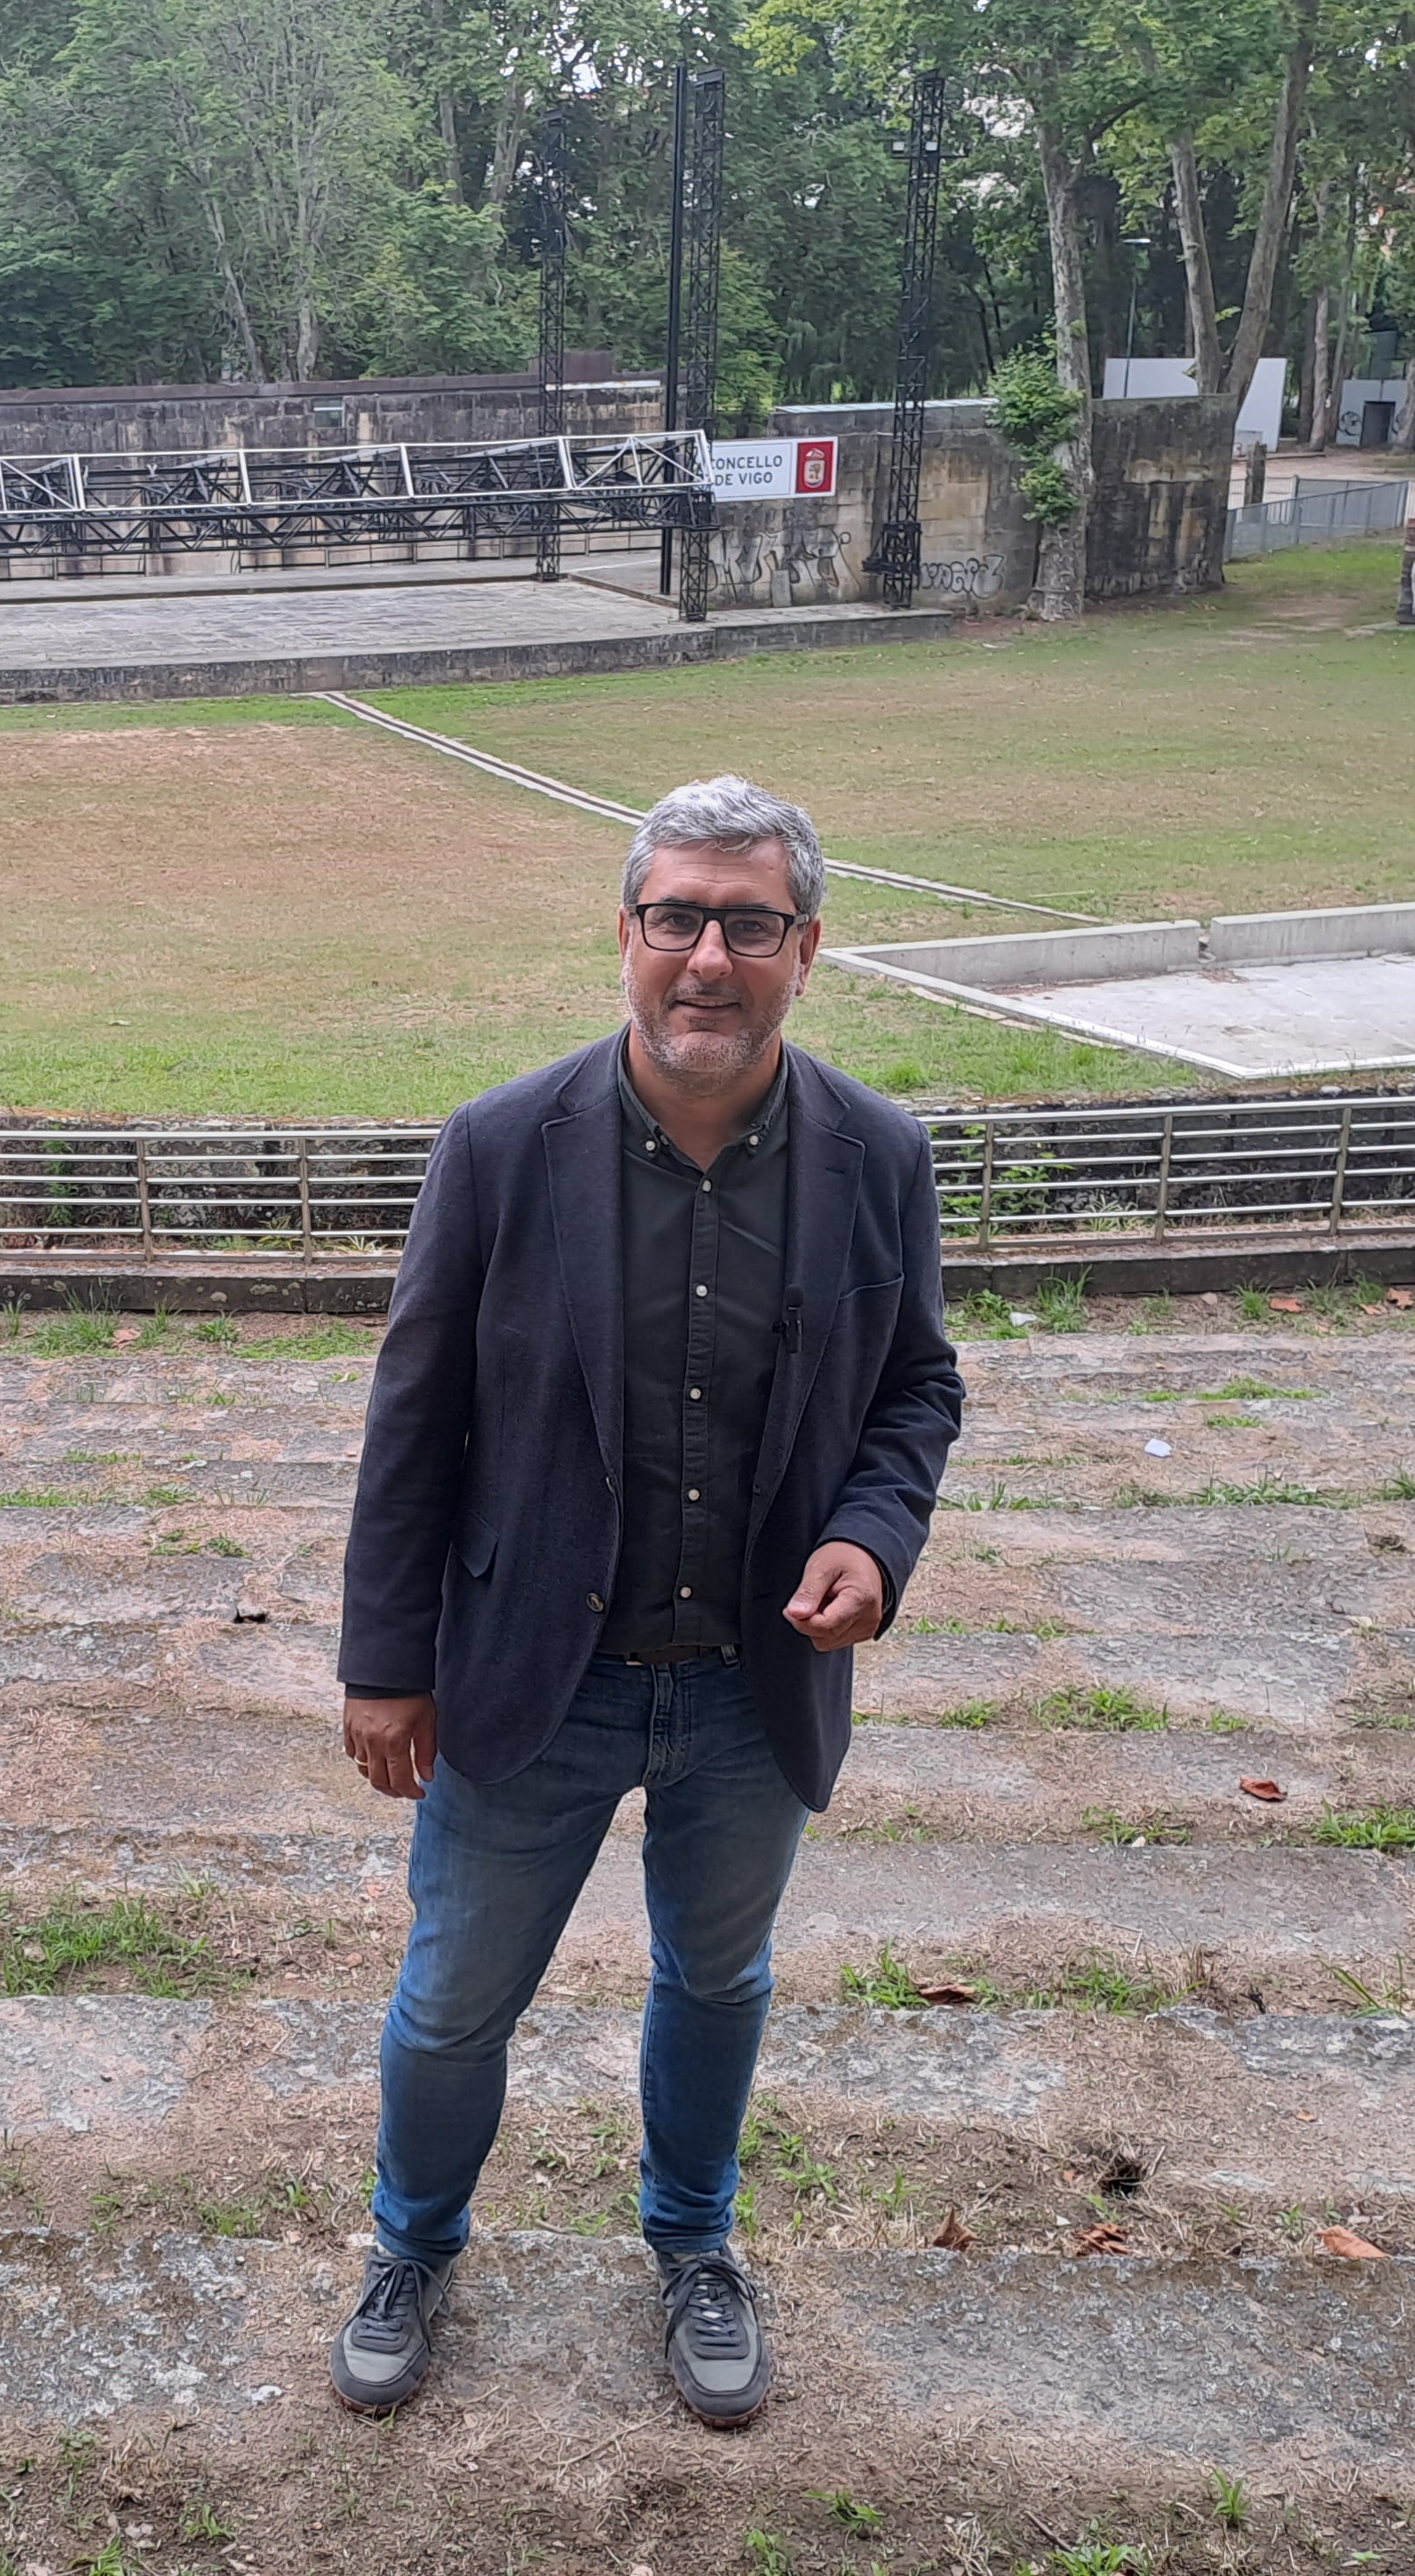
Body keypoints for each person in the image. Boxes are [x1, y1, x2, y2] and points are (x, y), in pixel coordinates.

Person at [327, 775, 966, 2427]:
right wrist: (388, 1663)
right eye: (676, 917)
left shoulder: (878, 1154)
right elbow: (418, 1418)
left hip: (753, 1686)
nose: (708, 956)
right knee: (457, 1993)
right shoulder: (497, 1148)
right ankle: (415, 2243)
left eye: (748, 924)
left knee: (716, 1982)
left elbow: (914, 1391)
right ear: (625, 934)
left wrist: (876, 1540)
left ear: (805, 950)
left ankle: (693, 2245)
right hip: (531, 1675)